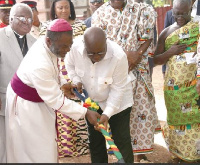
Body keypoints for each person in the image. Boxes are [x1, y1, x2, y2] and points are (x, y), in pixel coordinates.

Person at [5, 19, 100, 163]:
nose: (68, 50)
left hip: (39, 102)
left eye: (70, 45)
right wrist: (85, 112)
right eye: (64, 46)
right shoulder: (39, 63)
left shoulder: (49, 45)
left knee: (46, 146)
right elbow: (55, 100)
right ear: (49, 41)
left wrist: (63, 84)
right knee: (32, 149)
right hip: (25, 108)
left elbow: (54, 69)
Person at [92, 0, 161, 162]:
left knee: (139, 114)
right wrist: (122, 59)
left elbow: (148, 35)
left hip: (137, 72)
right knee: (118, 117)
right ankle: (121, 156)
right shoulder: (99, 15)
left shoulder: (142, 9)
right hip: (113, 76)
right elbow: (99, 45)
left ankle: (138, 157)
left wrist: (137, 54)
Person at [65, 27, 134, 163]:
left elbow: (118, 89)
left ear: (106, 43)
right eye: (91, 54)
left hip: (118, 104)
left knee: (121, 141)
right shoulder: (75, 49)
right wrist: (77, 81)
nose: (96, 57)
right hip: (92, 104)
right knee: (95, 143)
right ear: (84, 46)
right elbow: (69, 64)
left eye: (100, 53)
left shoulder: (118, 56)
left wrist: (107, 114)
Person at [40, 0, 89, 158]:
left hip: (76, 69)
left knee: (79, 101)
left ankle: (82, 145)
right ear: (54, 9)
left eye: (66, 7)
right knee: (60, 105)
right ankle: (65, 146)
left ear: (71, 8)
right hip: (56, 69)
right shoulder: (46, 28)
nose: (63, 10)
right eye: (60, 7)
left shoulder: (80, 26)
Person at [154, 0, 200, 162]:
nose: (180, 17)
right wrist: (170, 52)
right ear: (172, 11)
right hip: (173, 88)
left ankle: (195, 154)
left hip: (195, 85)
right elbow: (155, 60)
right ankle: (179, 154)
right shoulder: (166, 33)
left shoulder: (198, 28)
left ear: (190, 10)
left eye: (184, 13)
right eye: (176, 13)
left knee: (195, 118)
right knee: (176, 119)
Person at [0, 2, 35, 163]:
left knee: (24, 146)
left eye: (30, 18)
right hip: (3, 102)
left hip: (27, 104)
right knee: (3, 146)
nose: (26, 21)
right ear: (11, 18)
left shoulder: (35, 42)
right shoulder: (0, 36)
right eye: (22, 17)